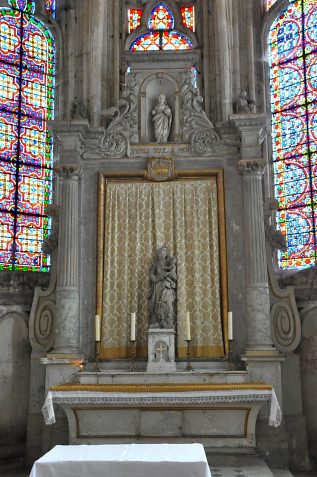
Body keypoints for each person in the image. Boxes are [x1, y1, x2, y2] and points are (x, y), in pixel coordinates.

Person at [148, 246, 177, 328]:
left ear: (166, 254)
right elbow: (151, 274)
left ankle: (168, 322)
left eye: (164, 252)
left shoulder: (169, 263)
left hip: (167, 287)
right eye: (160, 252)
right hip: (158, 286)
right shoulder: (156, 264)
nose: (162, 254)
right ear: (158, 254)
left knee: (168, 305)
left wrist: (168, 274)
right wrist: (156, 278)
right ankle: (158, 322)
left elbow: (174, 276)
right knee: (158, 304)